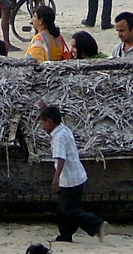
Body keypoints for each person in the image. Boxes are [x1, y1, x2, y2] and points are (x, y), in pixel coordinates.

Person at [38, 104, 107, 243]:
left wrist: (56, 179)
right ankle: (65, 236)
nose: (43, 127)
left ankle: (97, 224)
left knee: (67, 211)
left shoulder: (58, 137)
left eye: (43, 123)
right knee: (65, 210)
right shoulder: (64, 129)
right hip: (77, 177)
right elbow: (54, 117)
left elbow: (60, 158)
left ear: (50, 122)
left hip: (69, 179)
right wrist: (45, 108)